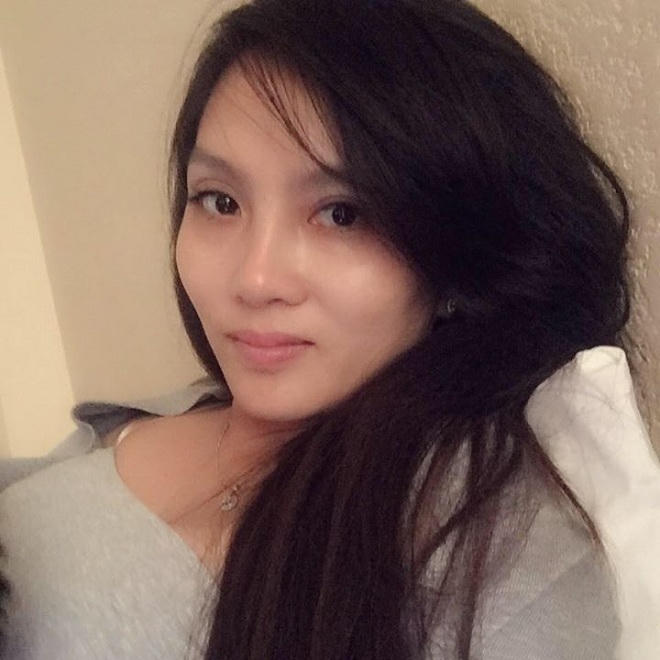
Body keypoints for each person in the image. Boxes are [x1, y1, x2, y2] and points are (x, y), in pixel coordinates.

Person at [0, 0, 648, 657]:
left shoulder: (489, 550)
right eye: (220, 201)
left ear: (459, 254)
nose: (255, 280)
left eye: (342, 214)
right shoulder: (153, 416)